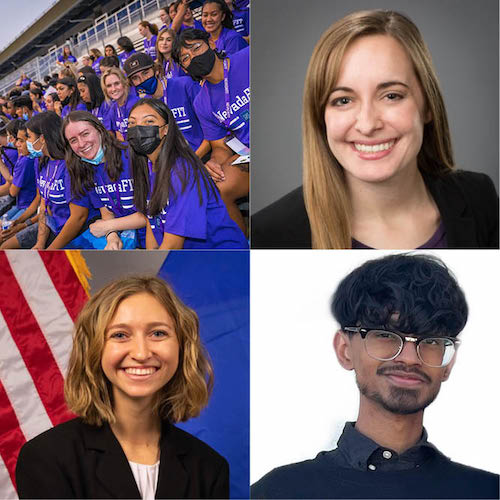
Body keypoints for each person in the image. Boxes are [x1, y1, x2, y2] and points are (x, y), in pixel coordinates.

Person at [251, 253, 500, 499]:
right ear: (344, 349)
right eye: (386, 335)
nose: (410, 358)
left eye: (431, 340)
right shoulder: (278, 492)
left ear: (449, 363)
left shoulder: (487, 491)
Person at [251, 10, 499, 249]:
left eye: (391, 95)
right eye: (343, 100)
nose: (368, 125)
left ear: (428, 106)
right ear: (321, 118)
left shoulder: (480, 197)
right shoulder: (269, 235)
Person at [16, 275, 230, 499]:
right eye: (120, 335)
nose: (141, 353)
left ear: (182, 347)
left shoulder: (209, 468)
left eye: (158, 333)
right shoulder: (47, 458)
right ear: (94, 349)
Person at [127, 98, 248, 249]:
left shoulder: (182, 171)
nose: (138, 129)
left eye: (149, 122)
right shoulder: (146, 168)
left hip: (220, 257)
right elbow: (151, 223)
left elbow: (173, 245)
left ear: (165, 129)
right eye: (132, 123)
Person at [174, 28, 249, 233]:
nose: (194, 57)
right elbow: (219, 146)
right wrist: (215, 161)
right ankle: (243, 248)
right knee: (218, 186)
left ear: (212, 45)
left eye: (197, 48)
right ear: (185, 69)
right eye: (186, 58)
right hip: (250, 155)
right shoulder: (201, 102)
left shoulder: (248, 58)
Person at [62, 110, 144, 250]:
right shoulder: (86, 168)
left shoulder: (132, 155)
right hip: (125, 237)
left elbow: (151, 213)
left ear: (99, 129)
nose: (81, 144)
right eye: (73, 140)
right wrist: (112, 237)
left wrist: (108, 227)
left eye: (85, 134)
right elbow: (106, 211)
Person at [24, 112, 97, 249]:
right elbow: (43, 206)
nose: (27, 141)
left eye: (29, 136)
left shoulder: (70, 165)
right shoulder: (42, 163)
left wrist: (50, 251)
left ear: (43, 138)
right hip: (54, 229)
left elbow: (79, 217)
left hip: (81, 236)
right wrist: (40, 243)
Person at [123, 52, 207, 156]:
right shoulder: (145, 106)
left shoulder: (184, 85)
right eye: (135, 78)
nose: (142, 80)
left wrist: (194, 160)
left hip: (202, 155)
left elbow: (212, 128)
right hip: (174, 162)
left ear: (156, 70)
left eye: (145, 73)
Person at [101, 67, 139, 141]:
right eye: (109, 86)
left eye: (117, 83)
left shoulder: (136, 104)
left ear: (124, 83)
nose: (113, 89)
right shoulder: (113, 108)